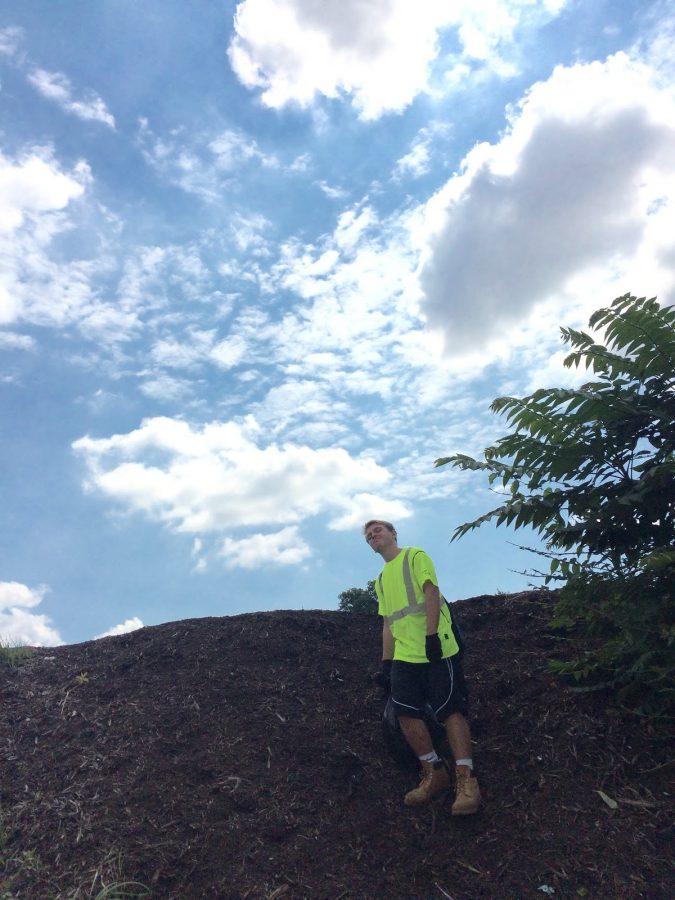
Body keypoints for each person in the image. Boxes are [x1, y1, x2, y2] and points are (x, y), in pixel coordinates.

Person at [365, 519, 481, 814]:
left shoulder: (415, 556)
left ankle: (466, 779)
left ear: (393, 534)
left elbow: (431, 592)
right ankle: (434, 773)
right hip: (406, 657)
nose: (372, 535)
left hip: (436, 648)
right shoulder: (380, 580)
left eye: (377, 529)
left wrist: (431, 636)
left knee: (450, 711)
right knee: (405, 714)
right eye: (368, 535)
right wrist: (386, 663)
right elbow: (388, 623)